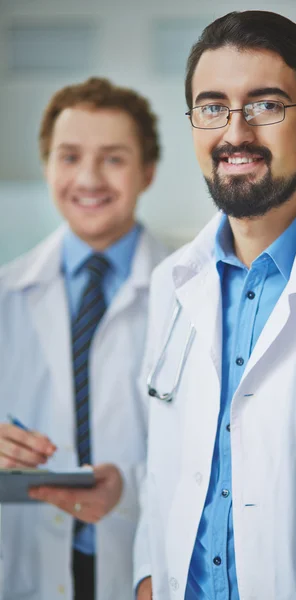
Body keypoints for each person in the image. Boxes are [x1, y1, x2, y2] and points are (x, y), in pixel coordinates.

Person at [134, 10, 296, 600]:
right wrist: (148, 579)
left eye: (266, 104)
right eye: (211, 107)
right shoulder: (170, 285)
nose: (235, 133)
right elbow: (166, 472)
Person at [0, 77, 168, 600]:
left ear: (147, 172)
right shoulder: (7, 294)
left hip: (143, 564)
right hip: (25, 562)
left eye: (114, 158)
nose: (89, 178)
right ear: (48, 166)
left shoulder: (192, 294)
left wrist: (128, 488)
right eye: (69, 156)